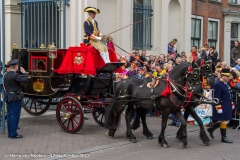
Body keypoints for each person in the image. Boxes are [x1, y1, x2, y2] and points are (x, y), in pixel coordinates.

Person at [207, 69, 234, 143]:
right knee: (224, 120)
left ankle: (211, 128)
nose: (229, 78)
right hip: (222, 104)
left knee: (225, 120)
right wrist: (218, 106)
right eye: (227, 77)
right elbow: (217, 96)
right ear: (223, 76)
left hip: (227, 104)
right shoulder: (218, 84)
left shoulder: (226, 83)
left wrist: (231, 102)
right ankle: (224, 137)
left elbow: (229, 94)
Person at [4, 59, 28, 138]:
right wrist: (24, 72)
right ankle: (13, 134)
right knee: (15, 116)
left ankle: (10, 133)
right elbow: (25, 80)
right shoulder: (15, 75)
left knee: (10, 115)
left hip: (9, 97)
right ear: (16, 67)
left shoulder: (6, 75)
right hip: (15, 97)